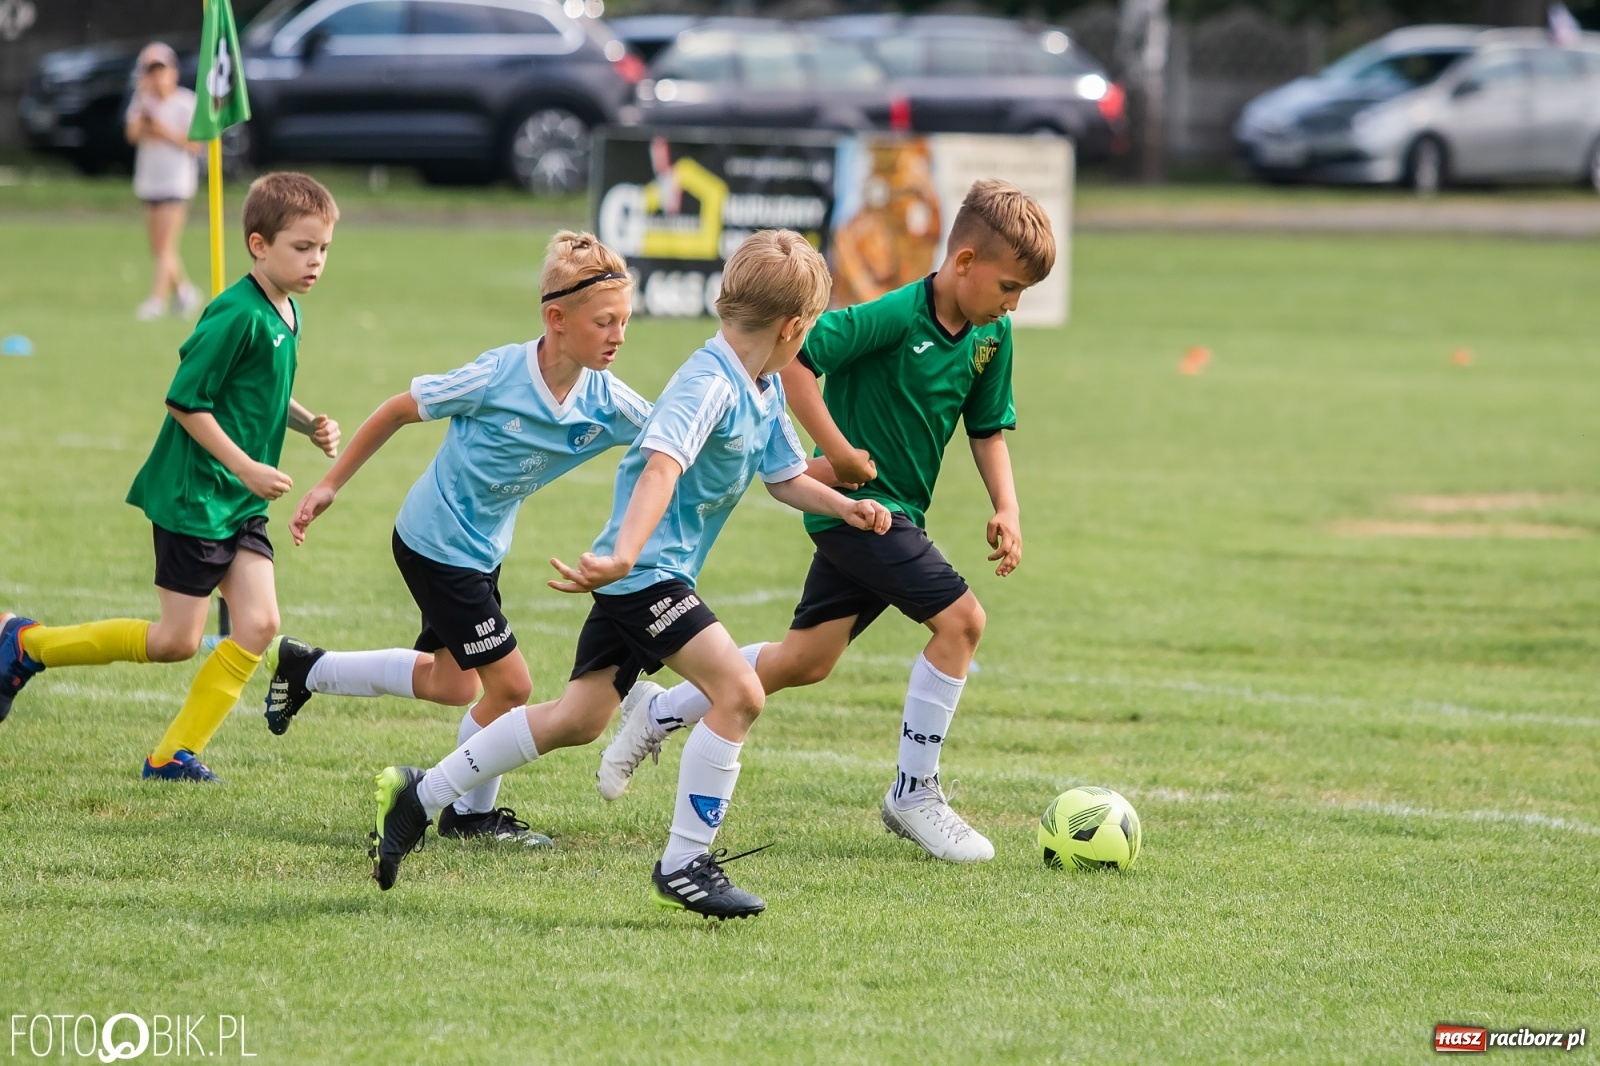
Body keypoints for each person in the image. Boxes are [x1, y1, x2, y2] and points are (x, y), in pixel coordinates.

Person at [366, 229, 892, 919]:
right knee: (739, 692)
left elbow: (785, 476)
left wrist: (846, 508)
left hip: (645, 574)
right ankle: (684, 863)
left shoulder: (761, 389)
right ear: (795, 327)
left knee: (578, 720)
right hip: (645, 575)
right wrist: (622, 556)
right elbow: (660, 467)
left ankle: (421, 796)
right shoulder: (708, 382)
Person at [597, 179, 1057, 864]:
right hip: (860, 517)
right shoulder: (896, 317)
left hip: (886, 516)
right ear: (964, 262)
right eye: (1009, 286)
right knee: (962, 622)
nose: (1012, 304)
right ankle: (915, 791)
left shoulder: (992, 336)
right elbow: (799, 364)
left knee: (805, 662)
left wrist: (1008, 506)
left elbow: (987, 428)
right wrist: (837, 453)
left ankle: (658, 712)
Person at [274, 232, 650, 846]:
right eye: (605, 321)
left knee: (451, 685)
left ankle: (305, 668)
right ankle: (468, 816)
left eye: (625, 321)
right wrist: (329, 486)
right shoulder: (498, 375)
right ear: (556, 318)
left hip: (481, 550)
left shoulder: (608, 403)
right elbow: (399, 408)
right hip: (435, 540)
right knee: (512, 687)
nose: (619, 335)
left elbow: (673, 442)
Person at [0, 173, 342, 781]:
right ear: (258, 245)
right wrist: (244, 464)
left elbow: (259, 393)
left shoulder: (288, 311)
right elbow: (186, 401)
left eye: (323, 249)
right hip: (198, 497)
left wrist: (306, 422)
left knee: (260, 623)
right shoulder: (236, 313)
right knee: (176, 642)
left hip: (239, 501)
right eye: (302, 247)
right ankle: (28, 646)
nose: (315, 261)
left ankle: (171, 756)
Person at [125, 42, 202, 320]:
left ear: (173, 72)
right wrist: (144, 107)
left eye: (161, 70)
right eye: (151, 71)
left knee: (167, 244)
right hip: (150, 179)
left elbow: (194, 145)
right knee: (158, 246)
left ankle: (156, 301)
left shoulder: (185, 102)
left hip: (177, 180)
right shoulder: (142, 101)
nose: (157, 77)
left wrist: (163, 130)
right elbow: (132, 135)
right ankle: (184, 292)